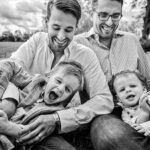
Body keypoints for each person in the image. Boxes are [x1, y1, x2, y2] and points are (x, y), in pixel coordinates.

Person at [2, 0, 113, 149]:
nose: (61, 37)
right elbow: (11, 68)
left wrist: (58, 119)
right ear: (47, 22)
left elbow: (104, 99)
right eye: (56, 28)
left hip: (41, 130)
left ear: (76, 28)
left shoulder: (85, 55)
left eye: (68, 30)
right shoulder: (36, 42)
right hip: (12, 113)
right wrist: (9, 101)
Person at [73, 0, 150, 149]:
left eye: (115, 16)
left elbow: (148, 80)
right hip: (103, 114)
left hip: (142, 106)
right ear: (91, 12)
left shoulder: (131, 40)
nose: (110, 22)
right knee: (109, 134)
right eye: (103, 15)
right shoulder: (77, 44)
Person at [0, 59, 84, 150]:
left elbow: (35, 131)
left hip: (17, 136)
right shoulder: (34, 83)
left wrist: (7, 127)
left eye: (67, 89)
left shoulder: (56, 111)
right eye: (58, 81)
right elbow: (8, 65)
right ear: (48, 77)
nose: (60, 89)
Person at [109, 70, 150, 136]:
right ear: (118, 99)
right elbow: (134, 129)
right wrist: (145, 112)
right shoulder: (125, 113)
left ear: (144, 89)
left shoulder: (147, 99)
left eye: (133, 86)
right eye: (122, 90)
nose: (128, 90)